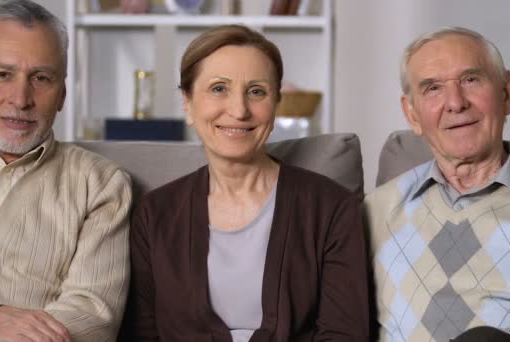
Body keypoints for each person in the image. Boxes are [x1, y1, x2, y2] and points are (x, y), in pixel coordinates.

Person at [124, 24, 369, 341]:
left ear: (275, 103)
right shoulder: (153, 215)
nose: (239, 110)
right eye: (218, 89)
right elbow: (143, 336)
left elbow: (344, 335)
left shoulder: (332, 208)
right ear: (187, 103)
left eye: (256, 91)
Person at [0, 1, 131, 341]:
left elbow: (94, 318)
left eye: (41, 78)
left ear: (62, 93)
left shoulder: (101, 185)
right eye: (3, 75)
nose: (21, 99)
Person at [364, 26, 510, 341]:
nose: (455, 103)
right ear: (411, 114)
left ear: (507, 93)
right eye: (433, 88)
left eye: (471, 80)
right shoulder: (373, 212)